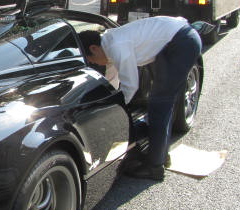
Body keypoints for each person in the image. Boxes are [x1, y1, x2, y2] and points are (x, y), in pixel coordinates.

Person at [78, 16, 202, 181]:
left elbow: (130, 85)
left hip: (181, 42)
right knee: (160, 103)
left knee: (160, 104)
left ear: (93, 48)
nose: (94, 63)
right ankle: (161, 155)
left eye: (91, 60)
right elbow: (113, 80)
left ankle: (154, 167)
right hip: (175, 38)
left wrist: (117, 111)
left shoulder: (116, 46)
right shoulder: (108, 43)